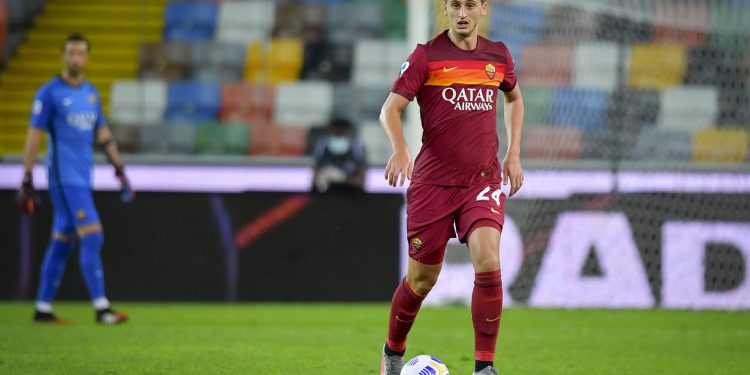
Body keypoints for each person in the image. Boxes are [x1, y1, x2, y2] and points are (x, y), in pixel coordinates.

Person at [378, 1, 524, 374]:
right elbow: (390, 110)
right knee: (421, 280)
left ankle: (484, 367)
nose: (463, 12)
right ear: (445, 9)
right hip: (433, 184)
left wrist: (513, 154)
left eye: (470, 5)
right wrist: (400, 149)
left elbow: (514, 98)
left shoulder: (498, 56)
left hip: (482, 180)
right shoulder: (426, 57)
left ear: (482, 9)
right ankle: (393, 351)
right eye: (455, 5)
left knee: (489, 259)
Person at [17, 33, 134, 325]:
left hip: (84, 177)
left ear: (88, 58)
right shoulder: (49, 93)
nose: (75, 58)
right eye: (71, 53)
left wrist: (119, 168)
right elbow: (34, 136)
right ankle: (101, 308)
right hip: (64, 177)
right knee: (93, 235)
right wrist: (27, 176)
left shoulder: (91, 94)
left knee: (63, 241)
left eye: (81, 53)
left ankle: (42, 309)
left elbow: (103, 135)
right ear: (63, 56)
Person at [311, 118, 366, 193]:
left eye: (342, 135)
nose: (338, 138)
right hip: (326, 196)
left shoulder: (357, 150)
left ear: (349, 135)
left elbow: (361, 183)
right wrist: (321, 178)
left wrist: (342, 178)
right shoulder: (322, 148)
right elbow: (314, 182)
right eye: (336, 134)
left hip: (350, 196)